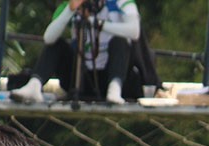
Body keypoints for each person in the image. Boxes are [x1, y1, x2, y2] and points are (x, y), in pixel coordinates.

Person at [10, 0, 142, 105]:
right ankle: (34, 85)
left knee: (120, 41)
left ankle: (114, 88)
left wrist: (98, 24)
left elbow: (134, 31)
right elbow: (48, 38)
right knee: (57, 43)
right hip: (80, 78)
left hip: (110, 75)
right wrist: (70, 9)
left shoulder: (120, 2)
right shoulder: (70, 5)